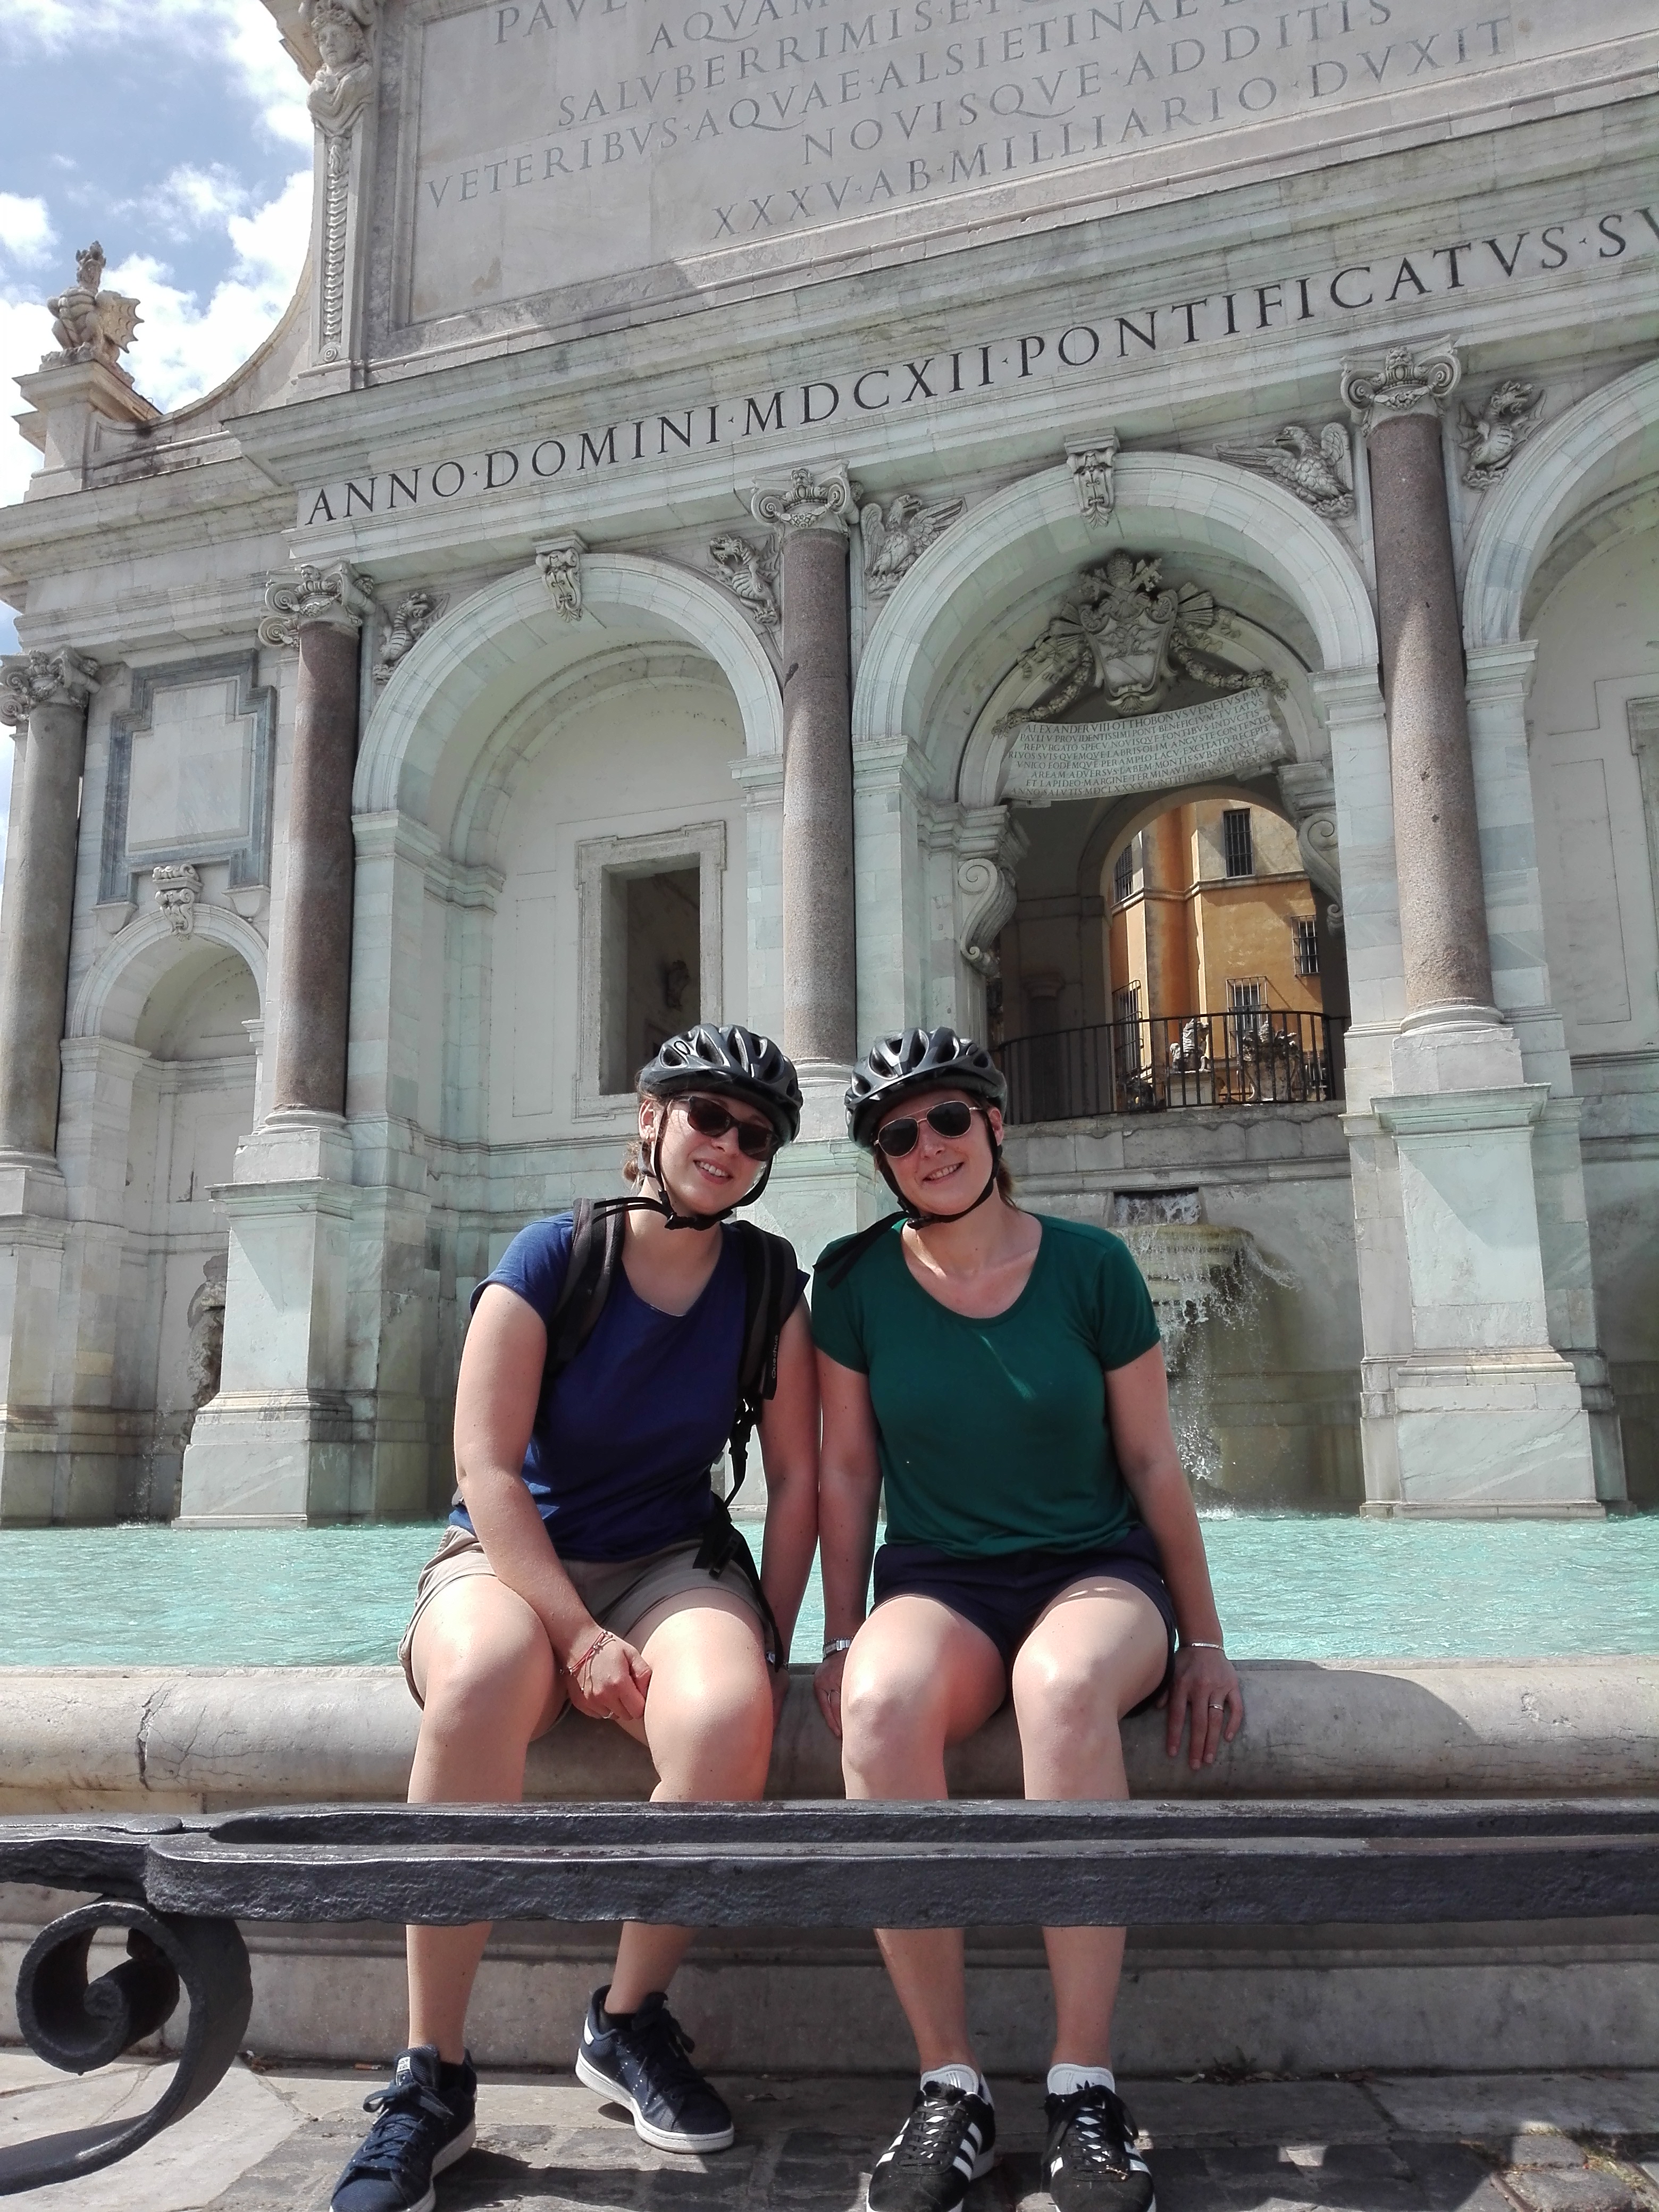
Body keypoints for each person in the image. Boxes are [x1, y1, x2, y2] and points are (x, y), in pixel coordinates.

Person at [332, 1025, 820, 2212]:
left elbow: (802, 1480)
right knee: (481, 1683)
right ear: (651, 1119)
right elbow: (487, 1470)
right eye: (709, 1116)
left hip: (670, 1563)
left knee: (729, 1716)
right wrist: (579, 1637)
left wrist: (769, 1631)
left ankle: (627, 2018)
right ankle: (430, 2072)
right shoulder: (553, 1253)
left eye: (756, 1134)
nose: (730, 1144)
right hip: (509, 1560)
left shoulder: (769, 1282)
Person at [811, 1027, 1244, 2212]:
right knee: (881, 1706)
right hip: (941, 1581)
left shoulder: (1094, 1266)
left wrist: (1206, 1639)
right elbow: (845, 1473)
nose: (929, 1145)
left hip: (1098, 1573)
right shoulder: (850, 1282)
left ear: (995, 1125)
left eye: (949, 1118)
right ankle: (947, 2084)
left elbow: (1153, 1463)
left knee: (1061, 1689)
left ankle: (1083, 2085)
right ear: (882, 1161)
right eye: (899, 1134)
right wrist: (841, 1634)